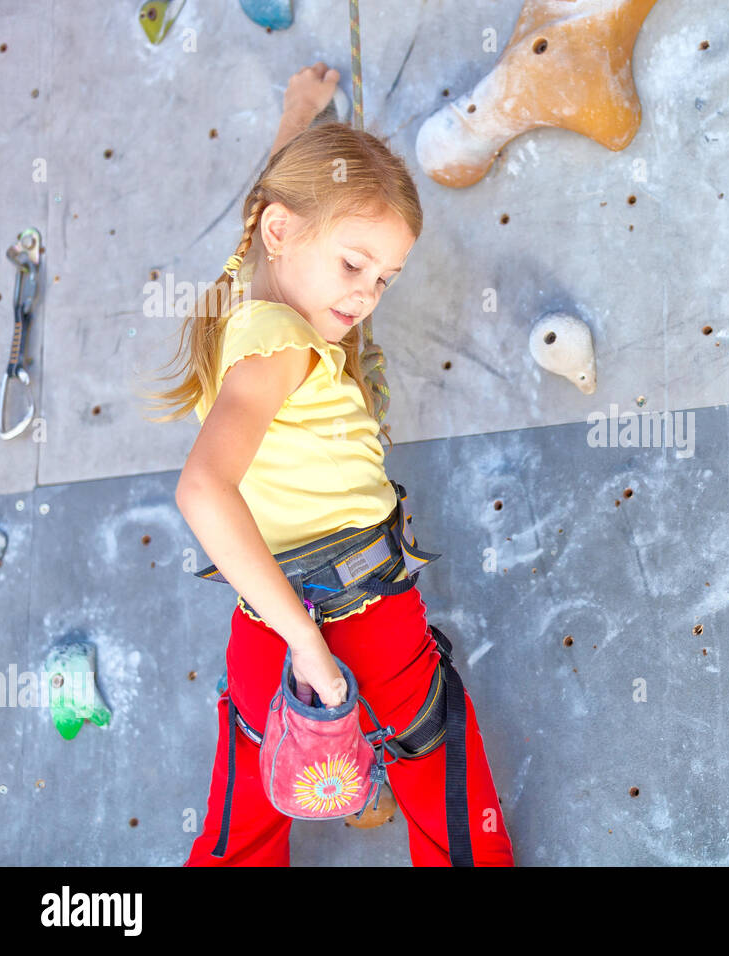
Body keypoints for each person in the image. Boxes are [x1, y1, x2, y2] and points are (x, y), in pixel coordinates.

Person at [142, 63, 514, 866]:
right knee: (434, 747)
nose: (365, 295)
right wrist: (313, 649)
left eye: (384, 278)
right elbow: (201, 487)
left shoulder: (247, 292)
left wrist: (299, 113)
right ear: (284, 231)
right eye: (353, 266)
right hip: (362, 619)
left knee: (248, 777)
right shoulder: (280, 350)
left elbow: (269, 206)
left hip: (261, 617)